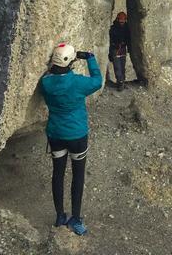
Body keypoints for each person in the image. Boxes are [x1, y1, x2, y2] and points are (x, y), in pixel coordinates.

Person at [40, 42, 102, 236]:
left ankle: (60, 216)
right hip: (77, 135)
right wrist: (90, 57)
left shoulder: (46, 83)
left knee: (57, 174)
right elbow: (97, 80)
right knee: (78, 176)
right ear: (70, 62)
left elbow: (52, 75)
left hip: (56, 134)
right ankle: (75, 219)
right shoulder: (78, 83)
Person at [109, 11, 132, 90]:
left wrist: (129, 48)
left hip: (122, 49)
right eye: (120, 20)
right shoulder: (113, 28)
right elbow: (110, 40)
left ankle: (122, 81)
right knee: (117, 67)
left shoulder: (126, 28)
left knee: (122, 66)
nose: (122, 22)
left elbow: (128, 39)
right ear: (118, 19)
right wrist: (110, 52)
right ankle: (120, 82)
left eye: (123, 20)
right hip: (115, 49)